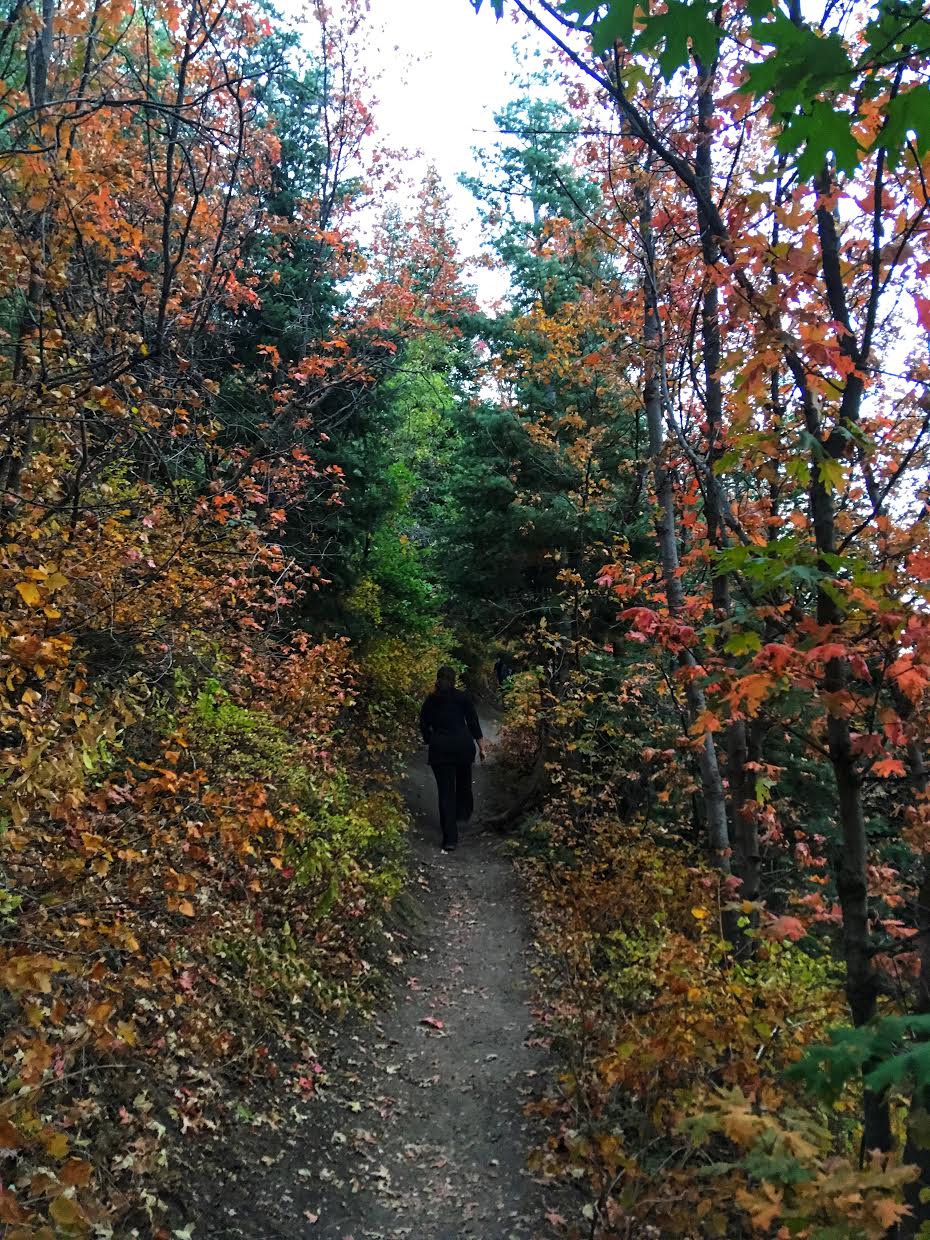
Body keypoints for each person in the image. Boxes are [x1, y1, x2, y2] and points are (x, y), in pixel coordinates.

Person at [419, 666, 485, 853]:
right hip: (463, 747)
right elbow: (473, 722)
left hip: (441, 749)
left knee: (446, 793)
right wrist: (481, 747)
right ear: (454, 680)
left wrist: (430, 739)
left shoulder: (431, 700)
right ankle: (463, 813)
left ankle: (450, 838)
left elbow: (423, 723)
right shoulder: (463, 697)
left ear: (438, 679)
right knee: (464, 781)